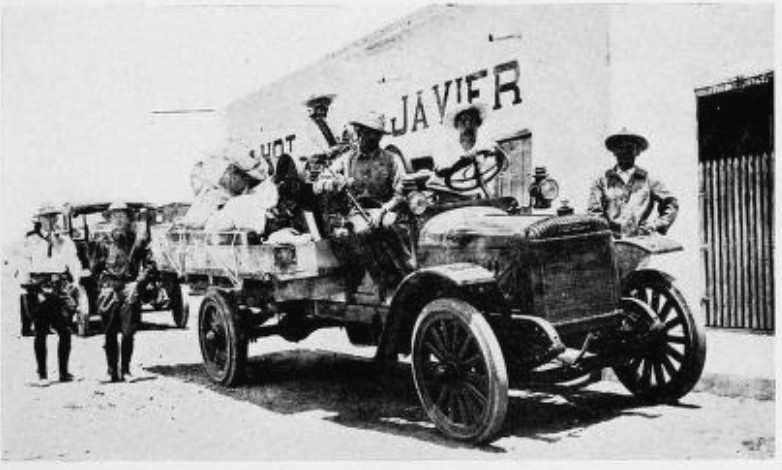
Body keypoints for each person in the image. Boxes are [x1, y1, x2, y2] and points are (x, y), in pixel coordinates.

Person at [314, 110, 412, 295]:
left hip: (385, 210)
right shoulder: (346, 160)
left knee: (392, 227)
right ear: (359, 132)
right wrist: (334, 183)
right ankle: (379, 284)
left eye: (377, 134)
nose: (372, 138)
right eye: (368, 133)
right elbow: (317, 186)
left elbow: (401, 193)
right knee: (361, 231)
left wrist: (382, 210)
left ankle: (405, 276)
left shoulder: (392, 160)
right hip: (355, 214)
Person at [19, 203, 84, 384]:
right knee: (40, 332)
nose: (50, 220)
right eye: (46, 216)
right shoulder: (30, 241)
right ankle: (43, 375)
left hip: (59, 288)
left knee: (65, 331)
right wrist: (26, 288)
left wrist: (76, 281)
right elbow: (23, 264)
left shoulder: (64, 240)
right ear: (39, 219)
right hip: (38, 288)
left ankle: (64, 373)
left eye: (53, 216)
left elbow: (74, 261)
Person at [92, 202, 155, 382]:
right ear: (110, 219)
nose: (119, 219)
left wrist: (137, 283)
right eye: (115, 216)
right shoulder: (101, 242)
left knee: (128, 332)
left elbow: (150, 265)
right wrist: (104, 286)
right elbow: (95, 268)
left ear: (129, 219)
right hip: (110, 291)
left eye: (122, 216)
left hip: (130, 289)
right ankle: (111, 371)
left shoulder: (139, 241)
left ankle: (126, 370)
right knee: (110, 332)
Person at [588, 128, 679, 237]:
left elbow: (671, 203)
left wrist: (655, 226)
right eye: (621, 148)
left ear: (638, 152)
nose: (625, 152)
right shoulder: (601, 182)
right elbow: (594, 213)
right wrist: (606, 233)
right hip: (610, 243)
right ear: (614, 152)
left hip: (640, 242)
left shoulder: (649, 181)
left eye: (630, 148)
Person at [433, 102, 507, 197]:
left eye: (471, 120)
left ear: (477, 124)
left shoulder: (486, 145)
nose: (467, 124)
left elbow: (501, 162)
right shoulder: (446, 147)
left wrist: (490, 153)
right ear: (457, 125)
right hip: (452, 194)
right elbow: (440, 170)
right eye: (463, 121)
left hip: (481, 194)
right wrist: (459, 163)